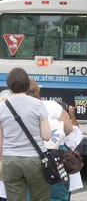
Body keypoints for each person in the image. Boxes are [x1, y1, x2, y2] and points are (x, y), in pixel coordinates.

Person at [0, 67, 51, 201]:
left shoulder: (2, 107)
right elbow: (46, 136)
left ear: (9, 84)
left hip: (9, 159)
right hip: (34, 160)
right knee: (40, 197)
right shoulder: (38, 104)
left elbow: (0, 140)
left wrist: (2, 161)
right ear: (27, 84)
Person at [27, 79, 73, 201]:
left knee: (29, 193)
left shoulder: (16, 108)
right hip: (54, 156)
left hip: (28, 154)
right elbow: (68, 129)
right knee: (57, 194)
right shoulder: (52, 105)